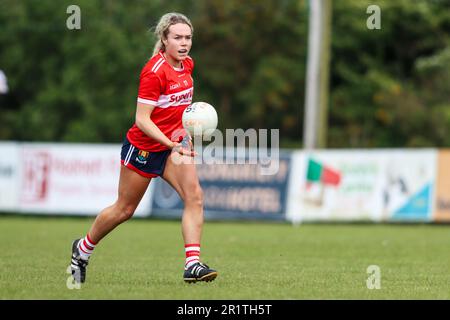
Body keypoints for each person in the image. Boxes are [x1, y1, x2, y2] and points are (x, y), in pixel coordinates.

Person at [69, 12, 217, 284]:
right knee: (124, 210)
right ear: (164, 39)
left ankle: (193, 264)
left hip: (173, 147)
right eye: (177, 38)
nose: (184, 43)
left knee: (194, 196)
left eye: (188, 38)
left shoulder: (188, 65)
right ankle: (83, 249)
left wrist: (185, 135)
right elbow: (142, 119)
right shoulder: (154, 72)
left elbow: (180, 109)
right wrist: (171, 142)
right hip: (144, 148)